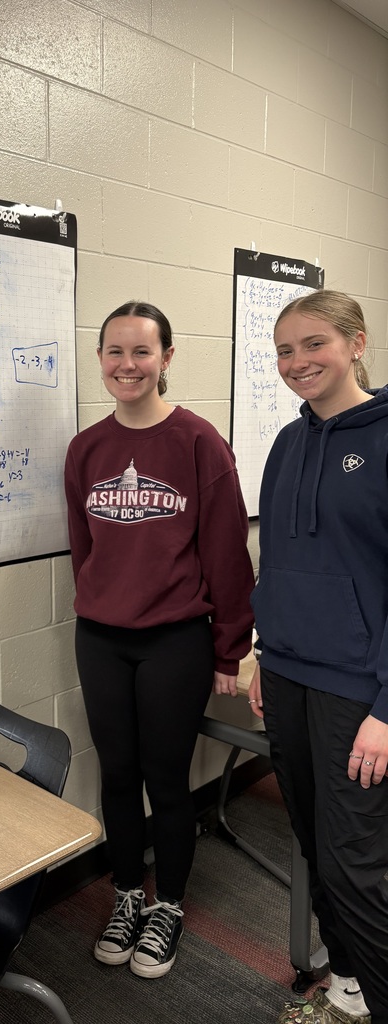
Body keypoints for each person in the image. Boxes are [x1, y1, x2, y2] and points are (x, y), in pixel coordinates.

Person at [64, 300, 254, 978]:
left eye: (141, 352)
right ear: (101, 359)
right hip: (101, 636)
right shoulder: (87, 449)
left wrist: (230, 648)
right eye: (115, 351)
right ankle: (125, 895)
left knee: (165, 780)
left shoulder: (199, 443)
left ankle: (166, 905)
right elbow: (83, 544)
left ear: (166, 359)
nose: (127, 365)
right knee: (117, 774)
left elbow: (228, 553)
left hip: (176, 638)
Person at [249, 290, 388, 1024]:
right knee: (310, 841)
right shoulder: (287, 442)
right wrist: (262, 655)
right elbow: (276, 561)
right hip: (288, 673)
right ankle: (348, 989)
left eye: (314, 344)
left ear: (356, 343)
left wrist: (386, 711)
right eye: (284, 350)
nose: (297, 362)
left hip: (358, 692)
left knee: (356, 866)